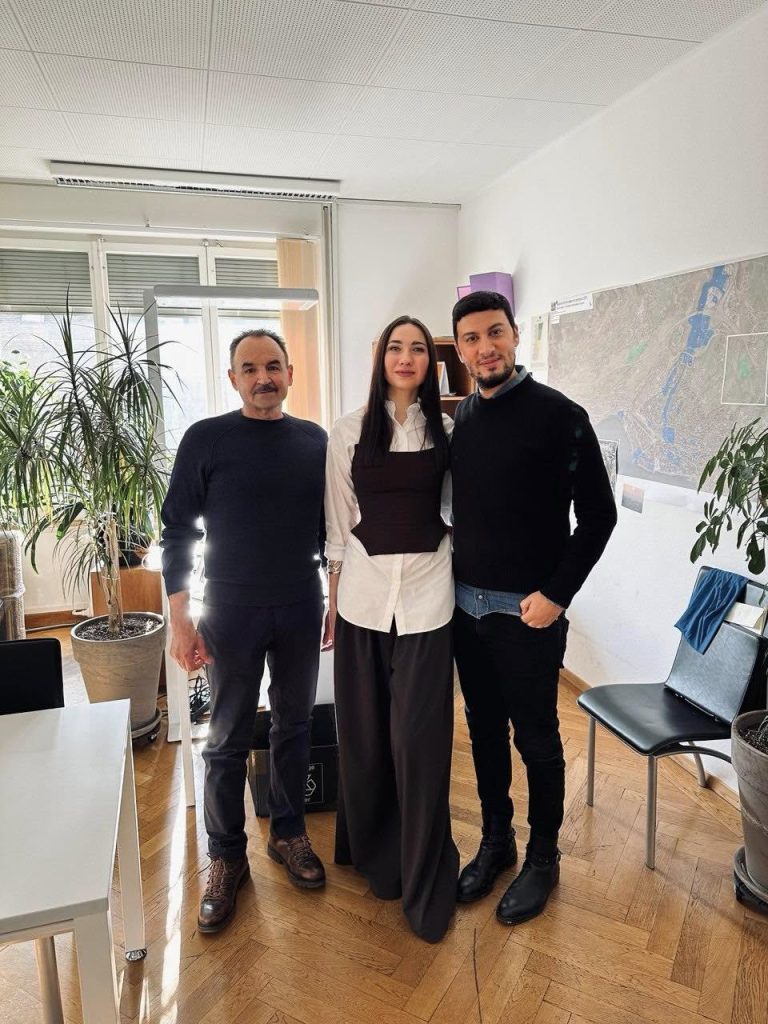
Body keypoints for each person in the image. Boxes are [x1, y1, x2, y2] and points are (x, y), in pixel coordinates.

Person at [450, 290, 617, 925]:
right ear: (460, 350)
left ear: (515, 336)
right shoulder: (464, 418)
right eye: (472, 338)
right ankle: (497, 840)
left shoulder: (561, 416)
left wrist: (557, 595)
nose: (485, 347)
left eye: (495, 332)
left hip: (529, 614)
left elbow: (598, 517)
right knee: (484, 732)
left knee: (538, 739)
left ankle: (544, 856)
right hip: (466, 610)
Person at [161, 328, 328, 934]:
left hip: (300, 602)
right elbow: (177, 531)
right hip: (230, 608)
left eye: (273, 366)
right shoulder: (206, 439)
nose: (264, 377)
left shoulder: (314, 442)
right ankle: (227, 856)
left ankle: (288, 832)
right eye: (250, 368)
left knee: (295, 724)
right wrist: (180, 617)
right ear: (232, 378)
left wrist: (334, 597)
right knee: (227, 737)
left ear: (290, 374)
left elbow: (330, 530)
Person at [323, 315, 459, 943]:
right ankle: (376, 856)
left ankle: (426, 875)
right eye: (395, 348)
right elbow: (338, 526)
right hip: (363, 603)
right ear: (380, 358)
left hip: (430, 602)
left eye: (418, 349)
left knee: (419, 743)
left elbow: (457, 513)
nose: (406, 358)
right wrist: (332, 600)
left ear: (431, 362)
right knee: (367, 736)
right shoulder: (348, 431)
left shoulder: (448, 433)